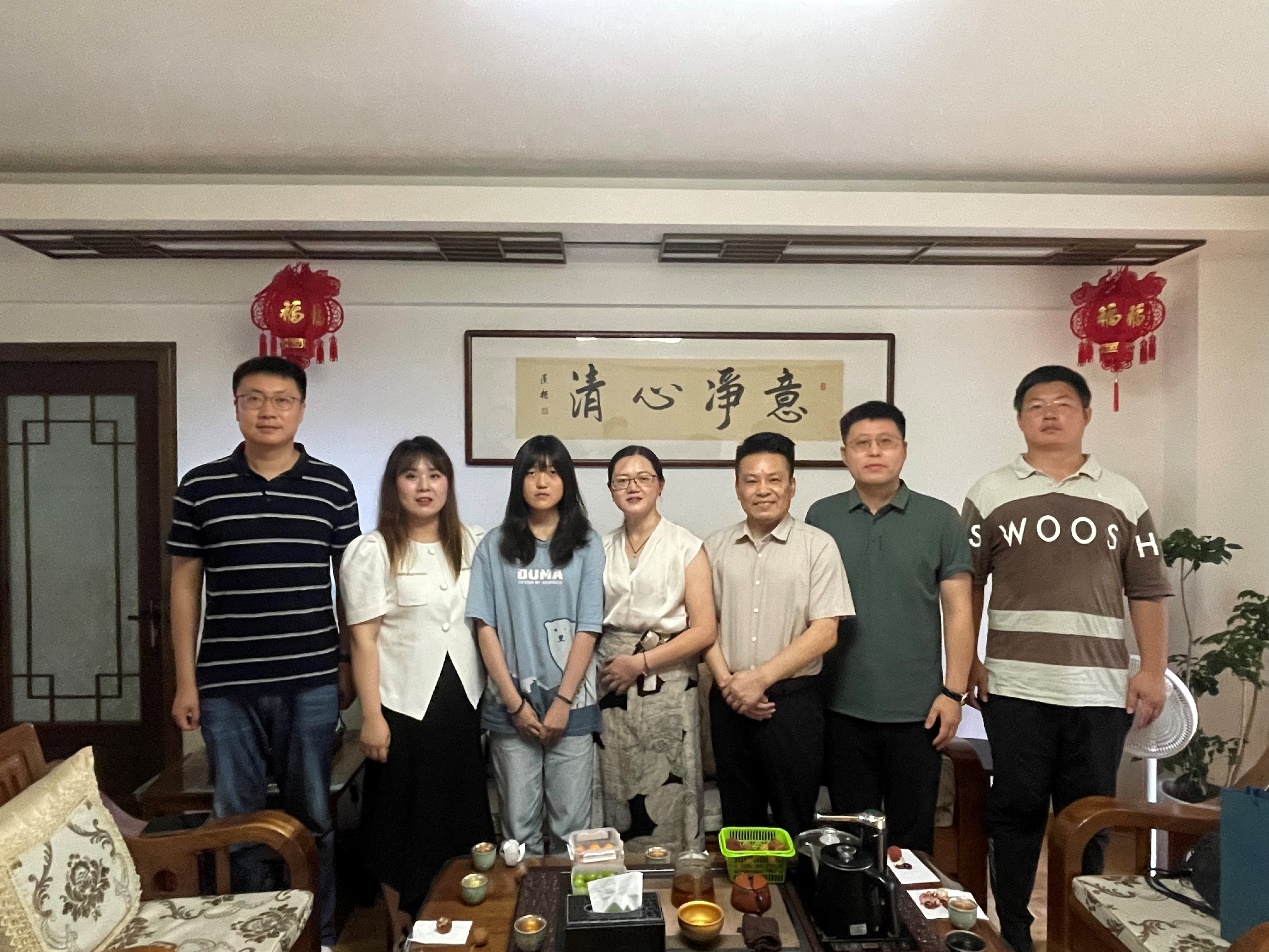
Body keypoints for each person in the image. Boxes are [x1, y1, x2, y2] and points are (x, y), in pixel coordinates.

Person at [962, 365, 1171, 952]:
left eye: (1062, 403)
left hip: (1100, 690)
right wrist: (967, 661)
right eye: (1036, 404)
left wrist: (1152, 670)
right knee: (1016, 811)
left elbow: (1147, 589)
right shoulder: (989, 492)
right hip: (1015, 686)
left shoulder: (1123, 495)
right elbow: (966, 585)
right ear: (1019, 419)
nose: (1049, 413)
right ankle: (1016, 930)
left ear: (1085, 414)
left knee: (1089, 819)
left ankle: (1078, 928)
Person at [167, 355, 359, 951]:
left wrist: (347, 663)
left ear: (301, 409)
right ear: (236, 407)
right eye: (254, 398)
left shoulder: (332, 485)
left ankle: (317, 933)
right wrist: (186, 681)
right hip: (226, 684)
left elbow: (351, 584)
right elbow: (184, 586)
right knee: (237, 819)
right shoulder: (200, 486)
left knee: (313, 817)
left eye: (281, 400)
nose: (268, 411)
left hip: (311, 677)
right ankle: (247, 936)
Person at [339, 437, 494, 941]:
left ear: (448, 483)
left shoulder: (473, 542)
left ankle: (457, 921)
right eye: (411, 475)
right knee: (399, 818)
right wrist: (373, 716)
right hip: (402, 704)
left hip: (461, 701)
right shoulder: (372, 550)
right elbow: (363, 640)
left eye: (435, 474)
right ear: (395, 486)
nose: (424, 485)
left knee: (459, 814)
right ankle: (401, 928)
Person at [805, 401, 975, 853]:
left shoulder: (940, 519)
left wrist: (954, 693)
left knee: (912, 842)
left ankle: (909, 904)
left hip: (919, 712)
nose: (874, 451)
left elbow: (959, 611)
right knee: (849, 842)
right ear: (845, 454)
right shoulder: (822, 517)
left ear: (904, 450)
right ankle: (855, 903)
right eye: (862, 443)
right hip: (840, 706)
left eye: (886, 442)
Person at [703, 431, 854, 837]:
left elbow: (825, 631)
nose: (763, 489)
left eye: (774, 479)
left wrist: (760, 679)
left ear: (791, 486)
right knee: (739, 822)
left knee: (795, 819)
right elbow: (704, 625)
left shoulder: (818, 546)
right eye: (751, 480)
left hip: (793, 703)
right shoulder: (715, 548)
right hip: (729, 701)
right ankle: (745, 881)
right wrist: (730, 685)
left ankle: (798, 883)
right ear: (738, 487)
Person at [466, 435, 605, 855]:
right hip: (512, 705)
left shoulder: (587, 544)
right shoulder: (494, 546)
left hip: (572, 703)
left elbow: (588, 628)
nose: (542, 482)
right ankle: (522, 899)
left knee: (572, 832)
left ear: (567, 480)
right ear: (518, 481)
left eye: (552, 471)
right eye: (531, 471)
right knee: (517, 832)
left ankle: (565, 898)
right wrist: (514, 704)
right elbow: (484, 627)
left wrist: (563, 701)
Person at [595, 445, 717, 852]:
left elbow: (704, 630)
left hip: (669, 677)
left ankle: (676, 872)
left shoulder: (687, 546)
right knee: (613, 778)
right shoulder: (599, 548)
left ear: (660, 485)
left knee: (671, 779)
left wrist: (641, 663)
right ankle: (614, 874)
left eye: (643, 478)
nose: (633, 487)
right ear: (611, 490)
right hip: (611, 680)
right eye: (622, 480)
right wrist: (623, 666)